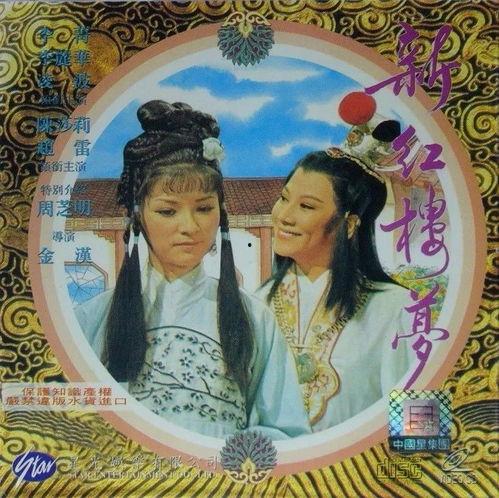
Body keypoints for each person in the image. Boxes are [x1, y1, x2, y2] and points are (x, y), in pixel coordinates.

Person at [75, 100, 310, 440]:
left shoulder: (254, 319)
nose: (189, 226)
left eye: (203, 208)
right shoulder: (92, 318)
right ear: (138, 215)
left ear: (220, 213)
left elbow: (287, 433)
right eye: (167, 211)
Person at [257, 147, 413, 432]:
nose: (284, 216)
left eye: (306, 206)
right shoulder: (257, 304)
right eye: (284, 198)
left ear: (349, 224)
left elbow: (421, 432)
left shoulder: (396, 308)